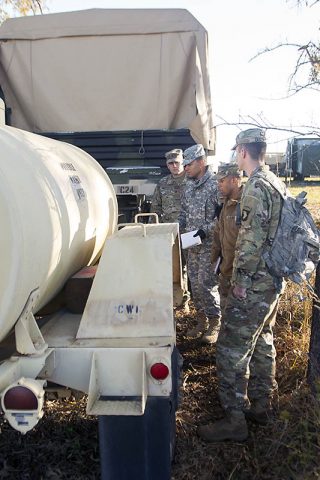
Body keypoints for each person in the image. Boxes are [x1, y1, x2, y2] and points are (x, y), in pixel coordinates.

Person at [198, 128, 286, 442]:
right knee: (263, 341)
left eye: (236, 150)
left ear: (242, 152)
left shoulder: (256, 187)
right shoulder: (275, 181)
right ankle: (261, 406)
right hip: (272, 280)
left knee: (229, 350)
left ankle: (234, 420)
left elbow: (250, 240)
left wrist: (239, 283)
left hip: (254, 285)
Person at [179, 144, 221, 344]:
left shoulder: (215, 184)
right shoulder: (188, 185)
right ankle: (201, 321)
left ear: (201, 162)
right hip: (191, 245)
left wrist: (205, 231)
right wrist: (177, 230)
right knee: (194, 285)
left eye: (189, 163)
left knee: (207, 285)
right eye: (184, 164)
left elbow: (222, 217)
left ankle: (215, 324)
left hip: (209, 246)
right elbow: (184, 213)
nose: (185, 167)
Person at [150, 148, 190, 312]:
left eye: (177, 163)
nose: (174, 166)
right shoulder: (163, 183)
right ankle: (179, 301)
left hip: (189, 231)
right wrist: (156, 229)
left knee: (190, 266)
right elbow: (155, 207)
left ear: (183, 163)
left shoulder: (192, 181)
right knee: (173, 267)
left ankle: (191, 301)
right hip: (169, 233)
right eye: (170, 163)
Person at [211, 162, 243, 313]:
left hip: (241, 280)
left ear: (234, 180)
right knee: (226, 320)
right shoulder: (225, 204)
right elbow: (218, 237)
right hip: (225, 274)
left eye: (222, 181)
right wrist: (215, 263)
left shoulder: (246, 204)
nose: (218, 185)